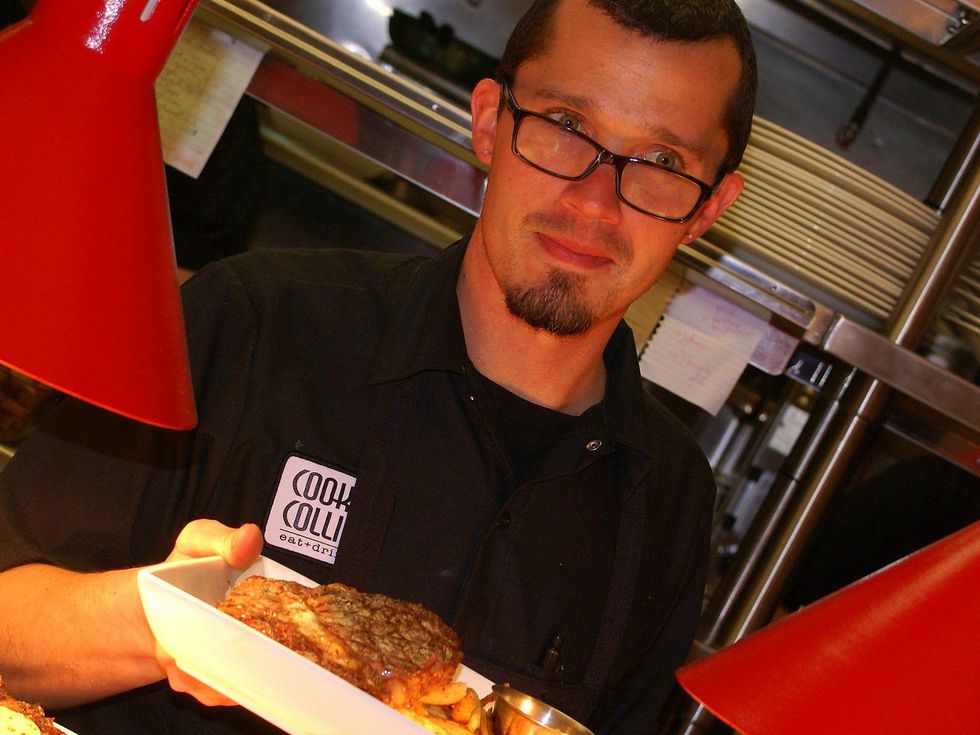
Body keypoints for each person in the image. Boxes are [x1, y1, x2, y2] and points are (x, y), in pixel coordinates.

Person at [0, 0, 756, 732]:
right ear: (490, 122)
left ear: (708, 208)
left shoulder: (670, 506)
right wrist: (163, 619)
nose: (595, 201)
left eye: (661, 162)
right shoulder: (261, 319)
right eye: (566, 125)